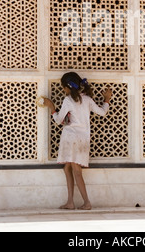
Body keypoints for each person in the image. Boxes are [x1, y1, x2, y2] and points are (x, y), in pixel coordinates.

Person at [43, 72, 112, 210]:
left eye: (63, 87)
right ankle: (70, 202)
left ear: (67, 87)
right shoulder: (87, 99)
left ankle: (87, 202)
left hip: (70, 138)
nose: (63, 90)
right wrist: (107, 100)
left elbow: (58, 120)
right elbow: (102, 112)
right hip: (83, 139)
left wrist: (51, 107)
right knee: (67, 167)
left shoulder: (68, 100)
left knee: (76, 170)